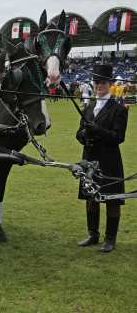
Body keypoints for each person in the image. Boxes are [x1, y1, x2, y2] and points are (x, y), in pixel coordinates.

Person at [76, 64, 128, 252]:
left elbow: (118, 137)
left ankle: (110, 239)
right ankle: (93, 234)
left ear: (110, 83)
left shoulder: (119, 109)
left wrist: (98, 130)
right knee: (91, 197)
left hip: (109, 159)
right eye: (96, 82)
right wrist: (82, 134)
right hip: (89, 158)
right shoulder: (88, 108)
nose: (99, 85)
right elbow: (79, 133)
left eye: (103, 82)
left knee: (112, 199)